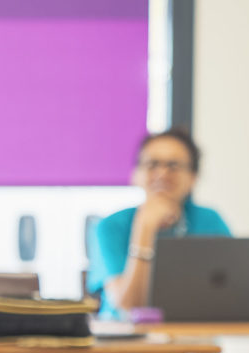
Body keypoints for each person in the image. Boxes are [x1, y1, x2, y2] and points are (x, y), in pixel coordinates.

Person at [87, 127, 232, 320]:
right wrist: (145, 227)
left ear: (193, 178)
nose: (162, 173)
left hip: (193, 342)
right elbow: (129, 306)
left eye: (174, 165)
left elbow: (229, 297)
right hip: (123, 344)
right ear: (136, 174)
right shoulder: (111, 226)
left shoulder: (209, 221)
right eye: (152, 164)